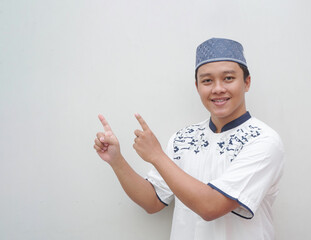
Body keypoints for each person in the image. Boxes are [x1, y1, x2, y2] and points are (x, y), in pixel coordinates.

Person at [93, 38, 284, 240]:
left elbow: (211, 207)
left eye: (228, 78)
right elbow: (152, 201)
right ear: (197, 86)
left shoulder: (264, 141)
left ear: (247, 82)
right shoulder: (183, 138)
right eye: (207, 80)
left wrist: (156, 155)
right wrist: (117, 160)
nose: (218, 88)